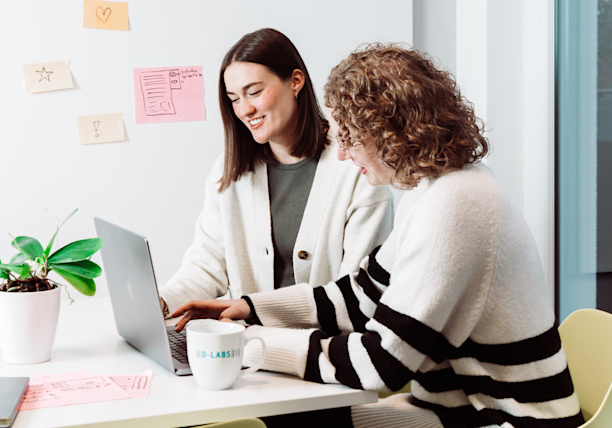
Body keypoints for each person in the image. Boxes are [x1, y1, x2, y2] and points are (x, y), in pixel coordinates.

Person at [174, 43, 583, 428]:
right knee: (287, 420)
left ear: (392, 132)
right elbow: (359, 294)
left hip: (503, 421)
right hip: (455, 410)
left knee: (288, 422)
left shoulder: (457, 204)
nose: (342, 153)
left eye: (350, 137)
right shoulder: (435, 189)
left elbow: (380, 366)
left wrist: (249, 344)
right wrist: (247, 309)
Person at [158, 29, 393, 316]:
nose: (244, 109)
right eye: (234, 98)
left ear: (295, 81)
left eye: (254, 92)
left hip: (322, 348)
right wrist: (162, 302)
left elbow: (360, 292)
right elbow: (207, 265)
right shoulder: (229, 169)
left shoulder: (356, 166)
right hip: (251, 344)